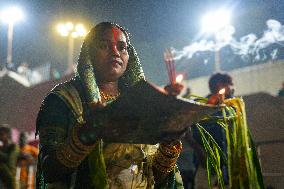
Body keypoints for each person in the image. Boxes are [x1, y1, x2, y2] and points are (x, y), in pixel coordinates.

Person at [36, 22, 185, 189]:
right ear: (88, 53)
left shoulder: (143, 105)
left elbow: (154, 177)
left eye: (122, 47)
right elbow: (49, 171)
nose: (115, 52)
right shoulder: (63, 99)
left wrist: (168, 144)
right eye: (103, 46)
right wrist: (88, 133)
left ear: (129, 56)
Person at [193, 72, 234, 189]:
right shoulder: (201, 105)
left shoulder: (230, 108)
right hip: (206, 166)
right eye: (229, 84)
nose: (231, 88)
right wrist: (199, 150)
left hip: (227, 167)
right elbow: (188, 130)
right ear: (219, 85)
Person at [0, 124, 19, 189]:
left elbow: (9, 160)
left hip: (10, 175)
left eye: (1, 134)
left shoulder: (14, 147)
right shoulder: (1, 148)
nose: (0, 136)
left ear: (8, 134)